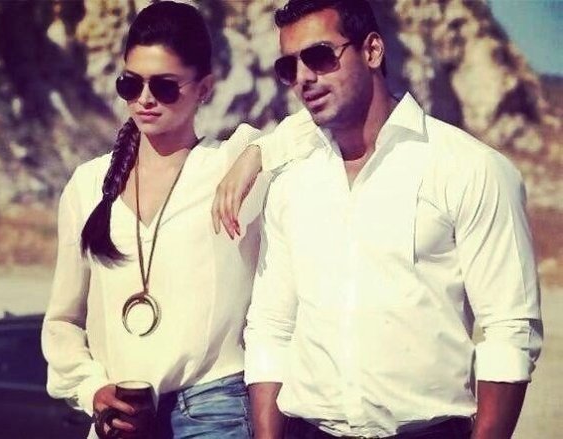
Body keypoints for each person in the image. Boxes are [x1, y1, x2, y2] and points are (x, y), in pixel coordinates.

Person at [212, 0, 543, 438]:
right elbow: (272, 328)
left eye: (319, 56)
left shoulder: (469, 168)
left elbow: (509, 330)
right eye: (289, 67)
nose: (304, 77)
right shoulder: (292, 183)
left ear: (372, 51)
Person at [41, 2, 269, 438]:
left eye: (165, 86)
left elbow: (320, 130)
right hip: (121, 417)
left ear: (204, 88)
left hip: (214, 410)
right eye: (130, 83)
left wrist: (258, 153)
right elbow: (63, 320)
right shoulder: (88, 185)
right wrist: (91, 389)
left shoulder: (231, 167)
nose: (144, 99)